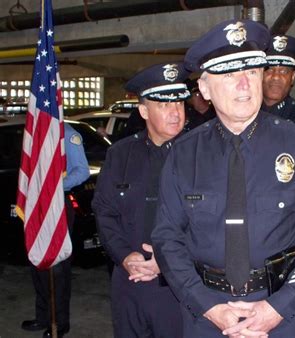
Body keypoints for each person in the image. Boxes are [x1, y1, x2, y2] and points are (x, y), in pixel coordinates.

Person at [151, 19, 295, 338]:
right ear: (204, 88)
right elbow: (167, 238)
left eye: (252, 71)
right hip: (207, 317)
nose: (245, 84)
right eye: (229, 74)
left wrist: (280, 305)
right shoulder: (184, 154)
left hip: (283, 316)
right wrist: (208, 305)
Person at [91, 62, 190, 338]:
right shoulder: (121, 154)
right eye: (164, 106)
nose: (175, 113)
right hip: (129, 284)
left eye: (179, 104)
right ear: (144, 111)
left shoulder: (199, 156)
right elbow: (105, 211)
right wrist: (124, 256)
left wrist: (167, 261)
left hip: (178, 287)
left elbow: (209, 224)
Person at [22, 123, 90, 338]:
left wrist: (53, 188)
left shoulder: (68, 135)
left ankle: (60, 322)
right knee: (37, 259)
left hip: (57, 203)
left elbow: (82, 171)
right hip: (36, 204)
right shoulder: (37, 132)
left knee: (58, 266)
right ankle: (42, 316)